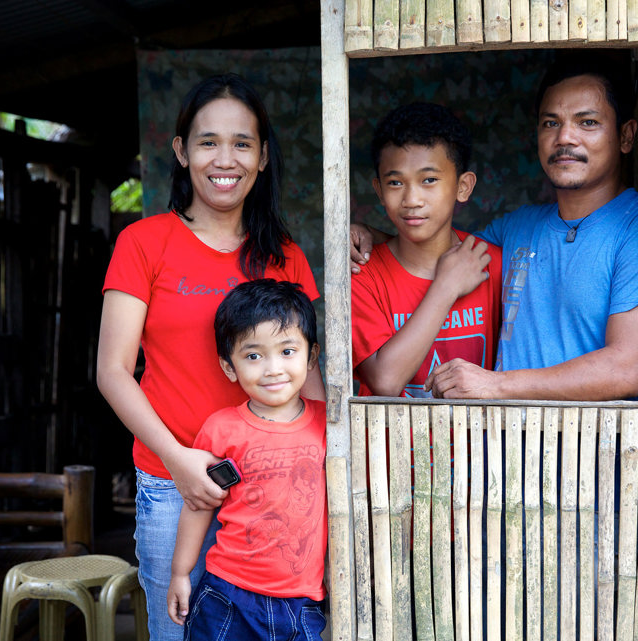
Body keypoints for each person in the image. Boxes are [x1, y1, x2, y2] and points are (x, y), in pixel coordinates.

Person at [96, 73, 324, 640]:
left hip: (276, 489)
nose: (226, 159)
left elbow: (310, 377)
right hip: (174, 486)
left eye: (243, 143)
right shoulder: (144, 243)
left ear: (264, 156)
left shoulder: (285, 255)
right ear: (181, 152)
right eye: (207, 141)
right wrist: (177, 459)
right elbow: (112, 370)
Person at [351, 55, 638, 401]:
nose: (565, 138)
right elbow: (434, 239)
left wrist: (497, 385)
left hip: (593, 447)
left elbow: (627, 368)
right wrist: (370, 234)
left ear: (626, 136)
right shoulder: (518, 228)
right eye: (550, 123)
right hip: (506, 450)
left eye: (587, 122)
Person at [166, 279, 327, 639]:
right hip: (229, 595)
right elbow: (199, 505)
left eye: (287, 351)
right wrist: (180, 572)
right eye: (254, 355)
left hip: (302, 601)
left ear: (311, 356)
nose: (272, 368)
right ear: (229, 367)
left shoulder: (330, 425)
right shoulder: (221, 430)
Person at [352, 102, 501, 397]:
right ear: (379, 190)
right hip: (389, 444)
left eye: (429, 180)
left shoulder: (492, 264)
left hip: (477, 443)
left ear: (463, 186)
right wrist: (446, 287)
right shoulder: (362, 271)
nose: (412, 199)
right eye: (395, 182)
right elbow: (385, 382)